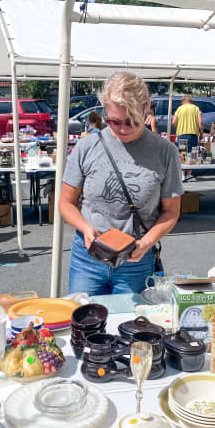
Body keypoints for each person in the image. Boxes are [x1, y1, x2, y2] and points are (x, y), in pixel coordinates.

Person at [60, 72, 184, 295]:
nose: (124, 129)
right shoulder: (86, 147)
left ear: (146, 107)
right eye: (114, 121)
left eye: (132, 121)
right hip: (88, 259)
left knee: (132, 326)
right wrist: (86, 229)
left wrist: (146, 243)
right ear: (104, 111)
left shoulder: (165, 152)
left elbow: (171, 212)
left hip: (135, 261)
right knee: (84, 324)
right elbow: (66, 203)